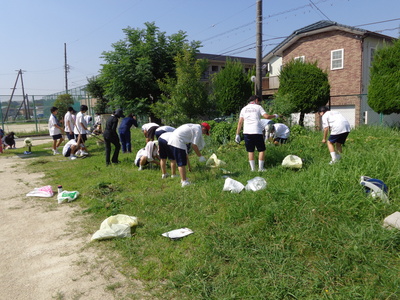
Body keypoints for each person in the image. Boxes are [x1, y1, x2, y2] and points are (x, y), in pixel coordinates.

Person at [235, 95, 279, 172]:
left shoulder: (244, 109)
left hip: (247, 132)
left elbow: (240, 122)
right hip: (256, 131)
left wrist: (237, 134)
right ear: (256, 100)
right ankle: (261, 168)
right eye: (259, 101)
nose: (259, 103)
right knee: (261, 150)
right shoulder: (258, 107)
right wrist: (275, 116)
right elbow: (266, 116)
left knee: (250, 150)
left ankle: (253, 169)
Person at [168, 123, 210, 187]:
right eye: (205, 132)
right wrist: (200, 156)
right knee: (181, 163)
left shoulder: (195, 126)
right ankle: (184, 182)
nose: (203, 134)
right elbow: (194, 145)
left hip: (174, 140)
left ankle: (183, 178)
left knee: (182, 161)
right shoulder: (198, 130)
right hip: (178, 141)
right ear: (204, 129)